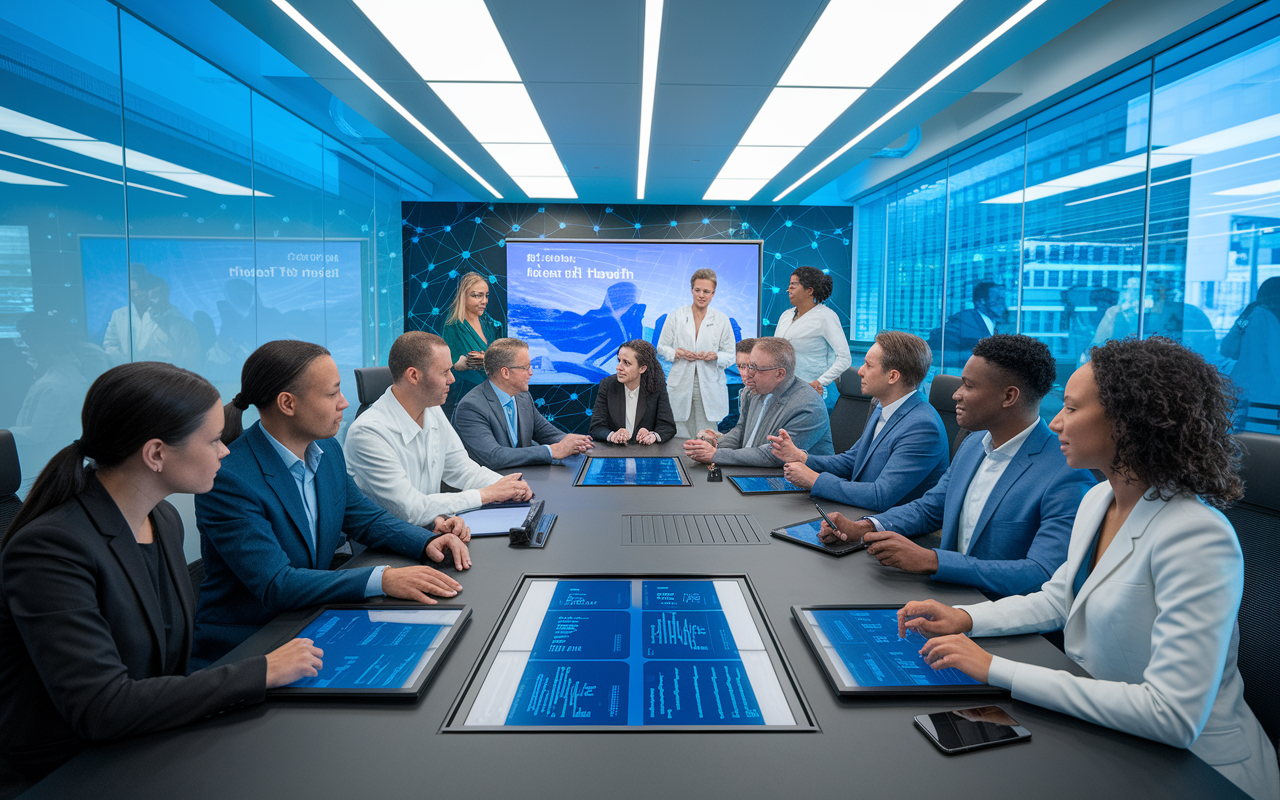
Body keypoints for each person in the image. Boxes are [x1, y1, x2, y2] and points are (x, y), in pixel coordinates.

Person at [898, 338, 1280, 800]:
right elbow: (1060, 598)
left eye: (1073, 410)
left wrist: (996, 668)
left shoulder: (1196, 535)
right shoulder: (1099, 499)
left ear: (1129, 422)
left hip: (1196, 768)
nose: (1056, 421)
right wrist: (968, 618)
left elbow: (1172, 716)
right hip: (1106, 731)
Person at [0, 363, 322, 785]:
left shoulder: (163, 518)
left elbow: (165, 670)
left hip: (148, 740)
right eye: (212, 440)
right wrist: (260, 671)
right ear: (155, 454)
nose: (226, 451)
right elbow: (102, 707)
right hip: (66, 769)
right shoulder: (50, 549)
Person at [193, 340, 471, 668]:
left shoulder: (327, 450)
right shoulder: (229, 479)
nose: (344, 403)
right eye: (332, 394)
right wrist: (382, 578)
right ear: (287, 403)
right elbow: (276, 584)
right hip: (250, 647)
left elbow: (366, 519)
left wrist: (427, 540)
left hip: (312, 620)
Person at [819, 334, 1094, 598]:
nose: (956, 395)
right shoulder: (974, 444)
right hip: (945, 597)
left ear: (1009, 397)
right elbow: (930, 509)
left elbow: (1042, 574)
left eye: (969, 386)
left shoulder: (1067, 473)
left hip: (1000, 618)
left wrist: (932, 560)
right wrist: (865, 527)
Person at [344, 332, 532, 527]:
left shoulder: (431, 409)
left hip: (430, 531)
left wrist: (509, 486)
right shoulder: (367, 433)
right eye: (444, 372)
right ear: (414, 375)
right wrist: (486, 495)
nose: (452, 379)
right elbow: (411, 509)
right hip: (384, 549)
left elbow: (461, 469)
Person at [768, 331, 948, 512]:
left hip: (890, 529)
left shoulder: (923, 427)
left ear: (892, 376)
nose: (860, 371)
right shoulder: (883, 406)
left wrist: (814, 480)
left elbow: (880, 496)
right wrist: (802, 457)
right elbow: (853, 461)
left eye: (869, 366)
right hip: (859, 511)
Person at [683, 337, 832, 467]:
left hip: (795, 486)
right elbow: (741, 431)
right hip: (754, 472)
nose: (748, 374)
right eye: (747, 366)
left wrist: (715, 455)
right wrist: (714, 445)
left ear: (780, 373)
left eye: (754, 368)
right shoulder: (751, 391)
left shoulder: (808, 406)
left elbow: (774, 455)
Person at [452, 337, 594, 469]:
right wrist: (553, 451)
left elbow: (547, 434)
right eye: (525, 367)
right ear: (505, 373)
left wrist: (573, 442)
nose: (531, 372)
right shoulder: (471, 407)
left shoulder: (523, 397)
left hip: (523, 480)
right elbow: (493, 457)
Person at [656, 269, 736, 439]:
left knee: (708, 435)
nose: (701, 295)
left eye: (706, 291)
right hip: (681, 381)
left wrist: (716, 356)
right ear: (691, 290)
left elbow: (730, 354)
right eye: (697, 290)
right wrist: (676, 353)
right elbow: (662, 347)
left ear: (713, 293)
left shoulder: (722, 320)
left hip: (709, 383)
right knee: (679, 431)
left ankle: (709, 465)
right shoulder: (676, 316)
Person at [774, 266, 851, 399]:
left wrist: (820, 382)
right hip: (785, 390)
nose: (788, 289)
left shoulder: (826, 316)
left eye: (794, 285)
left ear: (809, 290)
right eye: (789, 285)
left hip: (815, 391)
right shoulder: (785, 316)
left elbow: (844, 359)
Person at [589, 339, 677, 445]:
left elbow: (667, 426)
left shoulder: (656, 386)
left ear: (642, 368)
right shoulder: (607, 384)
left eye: (626, 363)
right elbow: (596, 427)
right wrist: (613, 435)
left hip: (645, 454)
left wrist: (652, 435)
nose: (618, 367)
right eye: (619, 361)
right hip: (615, 454)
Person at [442, 272, 501, 417]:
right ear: (464, 296)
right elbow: (443, 366)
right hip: (466, 399)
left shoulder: (491, 324)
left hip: (493, 396)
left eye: (486, 295)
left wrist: (488, 360)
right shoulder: (452, 326)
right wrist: (457, 365)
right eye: (477, 295)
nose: (484, 301)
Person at [1222, 276, 1280, 425]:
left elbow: (1227, 349)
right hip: (1268, 392)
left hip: (1243, 388)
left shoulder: (1250, 313)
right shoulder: (1263, 316)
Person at [933, 281, 1006, 369]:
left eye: (1003, 299)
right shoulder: (962, 323)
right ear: (980, 302)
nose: (1002, 304)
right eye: (997, 299)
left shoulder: (998, 325)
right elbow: (936, 354)